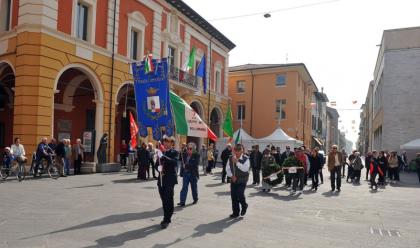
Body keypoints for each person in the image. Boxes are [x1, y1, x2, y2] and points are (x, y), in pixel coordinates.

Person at [157, 136, 179, 229]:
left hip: (170, 179)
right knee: (163, 199)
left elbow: (174, 163)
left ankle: (166, 219)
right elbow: (156, 164)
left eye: (168, 142)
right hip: (161, 179)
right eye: (164, 141)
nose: (165, 143)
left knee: (168, 199)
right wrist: (158, 168)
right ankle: (167, 215)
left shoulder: (175, 152)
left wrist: (163, 156)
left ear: (172, 143)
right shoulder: (161, 152)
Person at [227, 144, 250, 218]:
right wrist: (231, 175)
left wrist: (237, 162)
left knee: (240, 194)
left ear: (242, 150)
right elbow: (227, 168)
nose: (237, 152)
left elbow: (245, 169)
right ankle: (235, 212)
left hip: (242, 180)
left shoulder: (246, 159)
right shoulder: (230, 158)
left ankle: (244, 205)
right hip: (234, 179)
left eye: (239, 150)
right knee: (233, 196)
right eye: (235, 150)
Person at [178, 142, 200, 206]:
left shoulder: (196, 155)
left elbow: (195, 164)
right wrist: (180, 152)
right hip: (185, 173)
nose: (189, 150)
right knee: (184, 187)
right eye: (188, 148)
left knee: (194, 188)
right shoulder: (184, 154)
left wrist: (187, 166)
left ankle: (195, 199)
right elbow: (180, 159)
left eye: (190, 149)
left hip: (193, 174)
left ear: (193, 149)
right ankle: (182, 201)